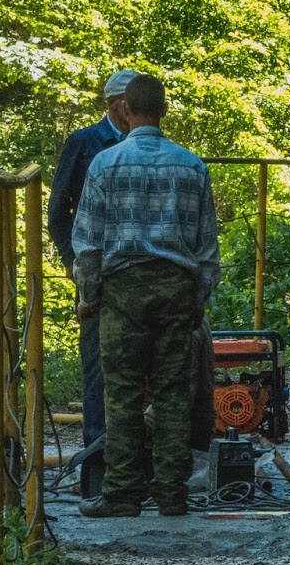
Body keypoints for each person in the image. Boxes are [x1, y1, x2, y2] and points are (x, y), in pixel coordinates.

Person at [72, 74, 221, 517]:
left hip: (123, 288)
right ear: (164, 110)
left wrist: (89, 295)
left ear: (126, 110)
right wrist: (197, 297)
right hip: (176, 286)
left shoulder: (105, 164)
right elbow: (206, 246)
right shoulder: (191, 165)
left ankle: (121, 492)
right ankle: (171, 493)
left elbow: (88, 242)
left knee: (122, 391)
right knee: (174, 389)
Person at [47, 69, 138, 498]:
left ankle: (138, 469)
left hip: (138, 271)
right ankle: (98, 474)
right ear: (115, 103)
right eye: (131, 98)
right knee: (98, 368)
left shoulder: (148, 143)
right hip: (96, 271)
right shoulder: (85, 143)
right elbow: (57, 211)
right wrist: (71, 264)